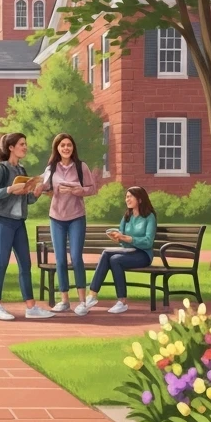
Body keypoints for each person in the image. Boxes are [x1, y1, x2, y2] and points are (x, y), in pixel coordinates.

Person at [0, 133, 52, 321]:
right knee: (1, 263)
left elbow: (27, 199)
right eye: (22, 144)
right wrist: (9, 189)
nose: (25, 147)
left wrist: (37, 192)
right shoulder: (1, 169)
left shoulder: (21, 170)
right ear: (11, 148)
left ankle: (31, 307)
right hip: (3, 221)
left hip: (18, 222)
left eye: (25, 144)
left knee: (25, 264)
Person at [39, 133, 97, 312]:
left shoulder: (81, 166)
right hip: (56, 218)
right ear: (57, 148)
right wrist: (49, 188)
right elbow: (43, 188)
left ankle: (82, 302)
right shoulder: (51, 168)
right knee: (60, 260)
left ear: (73, 148)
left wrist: (79, 190)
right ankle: (64, 300)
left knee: (76, 258)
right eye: (62, 145)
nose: (66, 148)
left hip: (76, 217)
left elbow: (92, 189)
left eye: (69, 145)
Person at [79, 186, 157, 316]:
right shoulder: (127, 216)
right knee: (114, 259)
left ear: (140, 199)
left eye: (130, 196)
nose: (127, 199)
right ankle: (119, 301)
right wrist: (117, 238)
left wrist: (126, 238)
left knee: (108, 254)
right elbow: (122, 240)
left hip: (143, 255)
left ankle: (94, 295)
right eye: (126, 197)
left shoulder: (149, 217)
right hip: (128, 252)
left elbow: (148, 242)